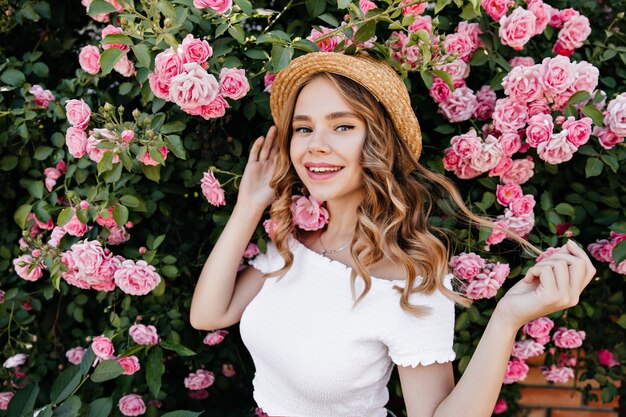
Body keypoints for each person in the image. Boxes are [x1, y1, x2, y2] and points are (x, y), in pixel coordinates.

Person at [190, 52, 596, 417]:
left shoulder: (408, 283)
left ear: (379, 143)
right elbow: (209, 315)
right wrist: (248, 206)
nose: (316, 145)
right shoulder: (295, 240)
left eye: (343, 126)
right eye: (303, 128)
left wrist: (507, 320)